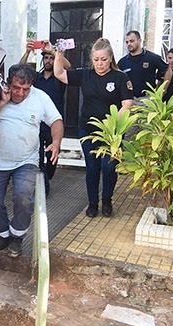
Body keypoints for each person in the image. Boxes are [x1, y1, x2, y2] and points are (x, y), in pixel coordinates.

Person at [0, 64, 64, 258]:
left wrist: (56, 142)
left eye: (26, 89)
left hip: (27, 160)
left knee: (23, 197)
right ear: (8, 82)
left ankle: (17, 236)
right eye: (16, 88)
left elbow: (56, 120)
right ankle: (5, 234)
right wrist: (1, 103)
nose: (21, 93)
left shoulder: (40, 97)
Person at [54, 38, 134, 218]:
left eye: (104, 59)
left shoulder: (120, 77)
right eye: (96, 59)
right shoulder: (85, 75)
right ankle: (92, 203)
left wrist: (112, 125)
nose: (100, 63)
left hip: (111, 133)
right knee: (92, 167)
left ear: (110, 57)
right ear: (92, 59)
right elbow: (59, 73)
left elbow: (127, 104)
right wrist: (59, 53)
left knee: (108, 167)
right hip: (88, 130)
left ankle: (107, 199)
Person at [20, 40, 71, 196]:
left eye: (51, 58)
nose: (48, 61)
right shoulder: (36, 77)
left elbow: (67, 66)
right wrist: (28, 51)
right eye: (46, 58)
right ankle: (44, 184)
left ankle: (47, 176)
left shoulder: (60, 76)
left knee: (51, 155)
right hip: (36, 122)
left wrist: (55, 52)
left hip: (53, 123)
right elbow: (20, 69)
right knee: (38, 155)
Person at [118, 30, 169, 101]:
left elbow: (167, 70)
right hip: (130, 100)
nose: (129, 44)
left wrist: (161, 91)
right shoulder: (122, 62)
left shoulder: (152, 57)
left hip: (148, 100)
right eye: (127, 42)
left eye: (132, 41)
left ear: (139, 40)